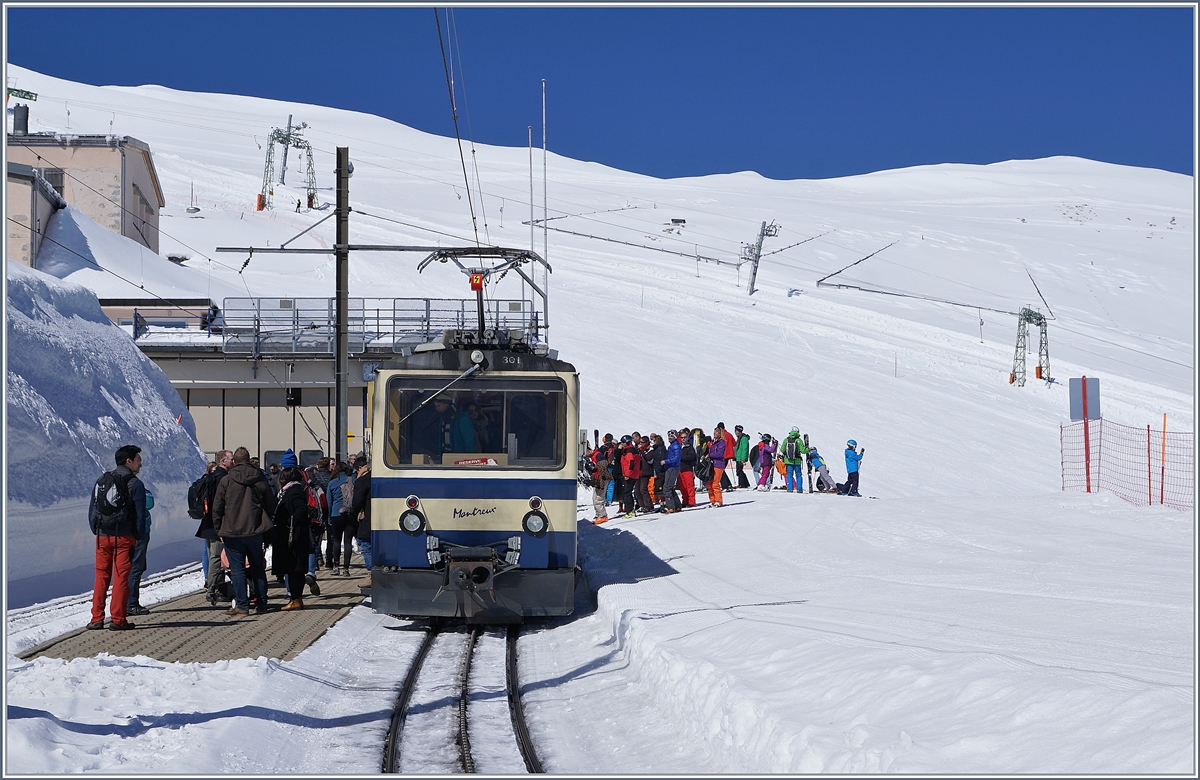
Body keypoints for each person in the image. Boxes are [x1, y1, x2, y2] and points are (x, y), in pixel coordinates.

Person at [212, 446, 277, 616]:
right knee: (257, 567)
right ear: (248, 460)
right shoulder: (259, 478)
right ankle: (262, 603)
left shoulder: (226, 480)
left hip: (232, 531)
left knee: (237, 569)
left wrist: (218, 528)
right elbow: (271, 504)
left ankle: (242, 605)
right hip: (255, 530)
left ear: (234, 462)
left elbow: (217, 506)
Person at [88, 444, 147, 630]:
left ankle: (96, 618)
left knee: (101, 576)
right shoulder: (135, 484)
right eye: (138, 460)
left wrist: (96, 530)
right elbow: (140, 515)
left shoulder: (102, 480)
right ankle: (118, 620)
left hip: (102, 537)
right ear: (128, 461)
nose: (140, 464)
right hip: (124, 538)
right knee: (121, 577)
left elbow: (92, 509)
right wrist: (137, 536)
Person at [271, 466, 313, 610]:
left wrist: (290, 522)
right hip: (292, 536)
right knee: (292, 568)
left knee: (295, 569)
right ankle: (295, 598)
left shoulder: (294, 491)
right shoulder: (291, 490)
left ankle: (296, 599)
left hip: (294, 537)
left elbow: (301, 509)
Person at [197, 451, 233, 606]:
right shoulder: (222, 479)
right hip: (216, 525)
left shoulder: (211, 477)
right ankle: (213, 589)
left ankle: (215, 588)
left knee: (213, 556)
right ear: (224, 461)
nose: (233, 462)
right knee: (216, 558)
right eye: (231, 459)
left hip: (207, 524)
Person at [348, 458, 373, 587]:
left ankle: (371, 576)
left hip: (368, 519)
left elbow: (357, 502)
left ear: (359, 468)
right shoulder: (377, 477)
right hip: (381, 518)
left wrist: (353, 514)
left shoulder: (362, 481)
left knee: (366, 546)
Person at [781, 428, 809, 493]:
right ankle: (799, 489)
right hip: (797, 461)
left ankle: (790, 488)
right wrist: (808, 449)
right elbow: (803, 451)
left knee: (789, 475)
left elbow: (782, 450)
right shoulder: (799, 440)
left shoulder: (786, 440)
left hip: (788, 460)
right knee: (798, 475)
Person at [661, 430, 682, 513]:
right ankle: (677, 506)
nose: (669, 437)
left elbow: (677, 458)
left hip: (673, 467)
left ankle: (671, 507)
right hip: (670, 467)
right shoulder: (672, 446)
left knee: (666, 488)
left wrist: (666, 461)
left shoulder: (676, 446)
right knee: (670, 487)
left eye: (671, 436)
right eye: (669, 436)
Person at [590, 447, 613, 524]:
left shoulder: (597, 455)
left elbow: (604, 464)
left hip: (601, 478)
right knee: (595, 497)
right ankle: (599, 514)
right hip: (599, 478)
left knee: (598, 498)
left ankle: (602, 516)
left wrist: (595, 466)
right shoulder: (594, 456)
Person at [706, 428, 727, 507]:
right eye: (714, 432)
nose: (714, 434)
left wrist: (710, 455)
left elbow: (719, 454)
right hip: (712, 465)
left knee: (715, 483)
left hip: (718, 465)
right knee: (709, 483)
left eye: (716, 432)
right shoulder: (713, 442)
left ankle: (718, 500)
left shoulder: (721, 443)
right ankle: (712, 500)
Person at [716, 423, 737, 492]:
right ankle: (728, 484)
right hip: (729, 455)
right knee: (722, 470)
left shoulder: (720, 435)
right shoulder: (729, 434)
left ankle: (725, 485)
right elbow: (734, 444)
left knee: (720, 470)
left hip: (722, 455)